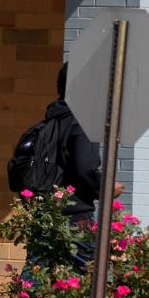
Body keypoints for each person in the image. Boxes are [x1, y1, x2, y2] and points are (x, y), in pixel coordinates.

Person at [43, 63, 109, 270]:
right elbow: (85, 168)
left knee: (39, 280)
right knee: (91, 281)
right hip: (76, 217)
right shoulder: (81, 122)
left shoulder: (50, 120)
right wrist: (105, 189)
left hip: (45, 215)